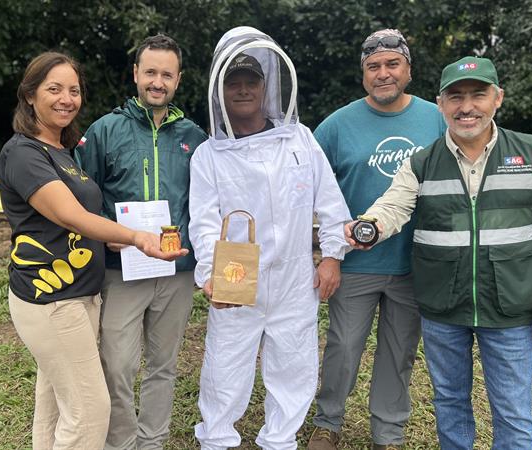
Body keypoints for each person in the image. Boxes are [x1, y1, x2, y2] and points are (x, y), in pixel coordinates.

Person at [346, 56, 532, 449]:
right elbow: (394, 206)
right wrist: (371, 226)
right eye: (455, 97)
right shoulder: (422, 162)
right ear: (440, 104)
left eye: (478, 95)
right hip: (443, 306)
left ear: (498, 98)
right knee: (449, 402)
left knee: (513, 410)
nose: (466, 107)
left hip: (511, 306)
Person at [0, 52, 186, 450]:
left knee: (53, 407)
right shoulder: (23, 153)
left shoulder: (61, 150)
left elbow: (86, 215)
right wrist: (135, 237)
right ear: (30, 95)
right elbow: (70, 215)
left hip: (80, 295)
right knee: (90, 411)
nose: (66, 98)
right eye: (54, 89)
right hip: (50, 300)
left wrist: (111, 234)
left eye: (74, 90)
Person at [188, 26, 351, 450]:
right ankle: (217, 440)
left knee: (294, 364)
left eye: (251, 81)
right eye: (233, 82)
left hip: (295, 275)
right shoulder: (209, 155)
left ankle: (280, 441)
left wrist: (332, 255)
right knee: (225, 364)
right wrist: (209, 274)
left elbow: (330, 202)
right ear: (219, 91)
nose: (242, 90)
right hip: (236, 274)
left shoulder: (300, 139)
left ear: (266, 86)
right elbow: (204, 222)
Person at [307, 29, 446, 450]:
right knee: (343, 349)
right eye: (374, 67)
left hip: (415, 263)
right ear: (363, 74)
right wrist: (325, 250)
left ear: (407, 69)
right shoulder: (336, 125)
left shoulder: (437, 118)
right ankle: (327, 422)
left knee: (399, 352)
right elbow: (307, 188)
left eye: (392, 64)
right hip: (357, 263)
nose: (383, 74)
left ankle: (388, 433)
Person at [74, 34, 207, 450]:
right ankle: (122, 443)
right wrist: (105, 238)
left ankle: (153, 441)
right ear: (135, 74)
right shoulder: (104, 130)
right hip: (122, 268)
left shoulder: (194, 137)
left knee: (164, 366)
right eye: (150, 72)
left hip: (175, 270)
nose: (157, 81)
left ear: (178, 80)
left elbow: (206, 201)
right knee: (116, 365)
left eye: (166, 74)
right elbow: (80, 199)